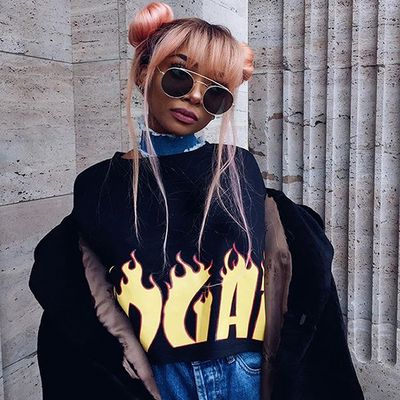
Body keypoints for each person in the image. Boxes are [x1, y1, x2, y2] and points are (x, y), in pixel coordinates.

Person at [29, 3, 364, 400]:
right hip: (158, 378)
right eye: (178, 76)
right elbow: (85, 295)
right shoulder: (98, 184)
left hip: (246, 371)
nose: (194, 95)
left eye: (216, 93)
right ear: (143, 72)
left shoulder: (239, 167)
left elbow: (278, 266)